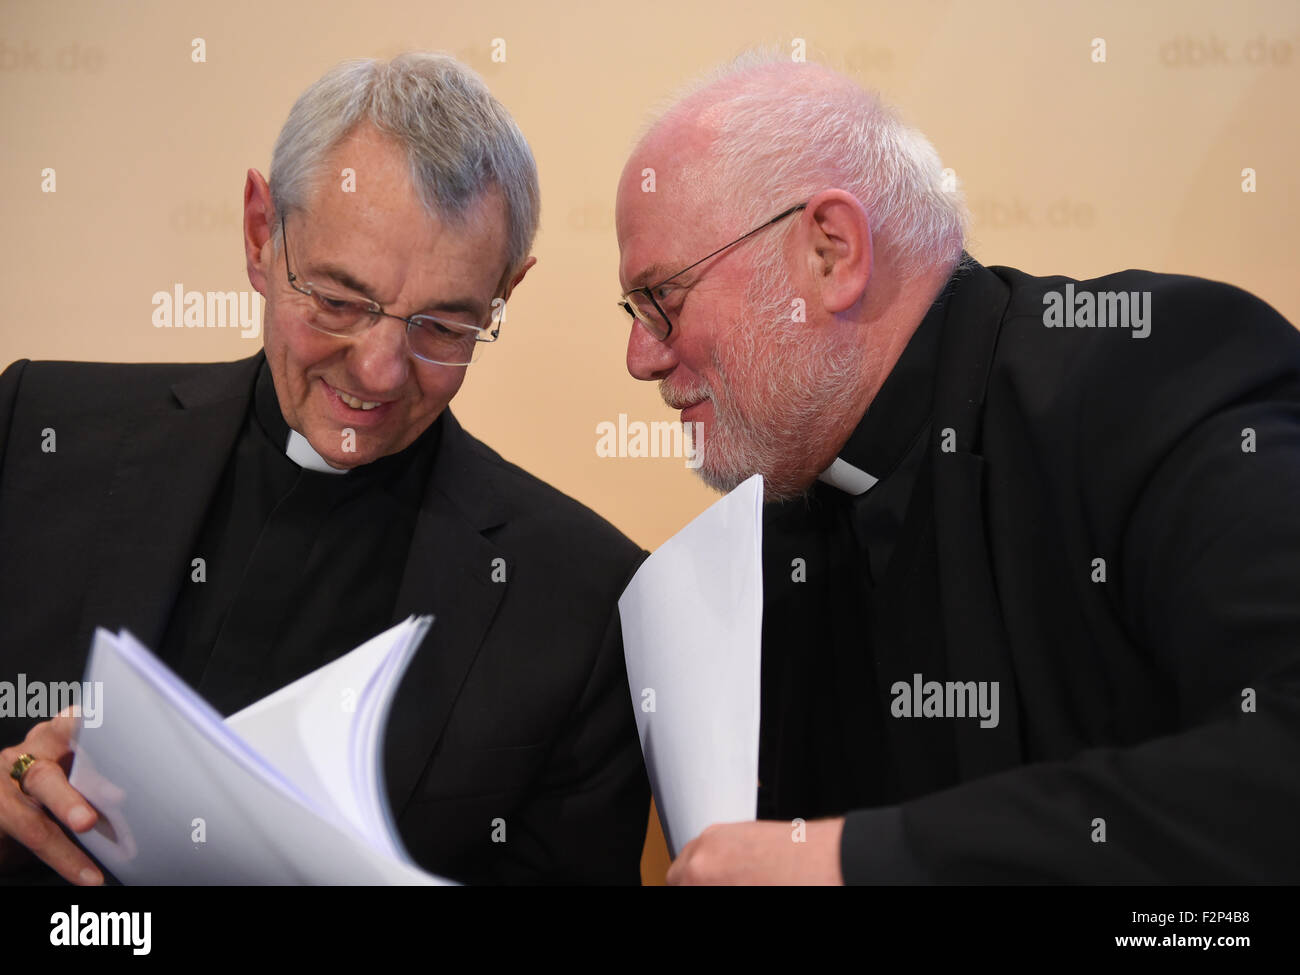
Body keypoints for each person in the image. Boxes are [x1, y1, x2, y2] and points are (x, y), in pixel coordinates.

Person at [614, 53, 1300, 884]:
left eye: (663, 299)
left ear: (831, 252)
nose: (640, 357)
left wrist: (853, 861)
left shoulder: (1157, 374)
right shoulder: (768, 543)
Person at [0, 52, 649, 885]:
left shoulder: (584, 599)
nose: (378, 370)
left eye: (444, 327)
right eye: (339, 301)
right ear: (259, 234)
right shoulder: (38, 430)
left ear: (504, 295)